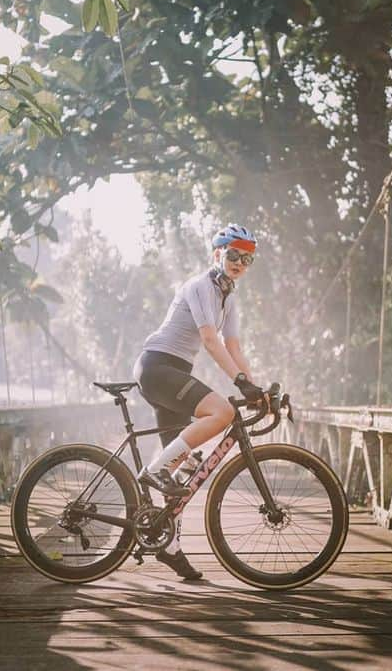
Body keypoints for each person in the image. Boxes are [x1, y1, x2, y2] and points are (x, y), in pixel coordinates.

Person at [131, 223, 266, 580]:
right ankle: (155, 470)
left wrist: (256, 388)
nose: (240, 262)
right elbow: (209, 340)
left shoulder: (229, 296)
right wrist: (238, 382)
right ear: (217, 253)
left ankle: (168, 544)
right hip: (158, 367)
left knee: (185, 467)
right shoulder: (200, 285)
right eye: (233, 254)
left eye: (247, 258)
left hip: (172, 371)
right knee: (221, 411)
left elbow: (233, 346)